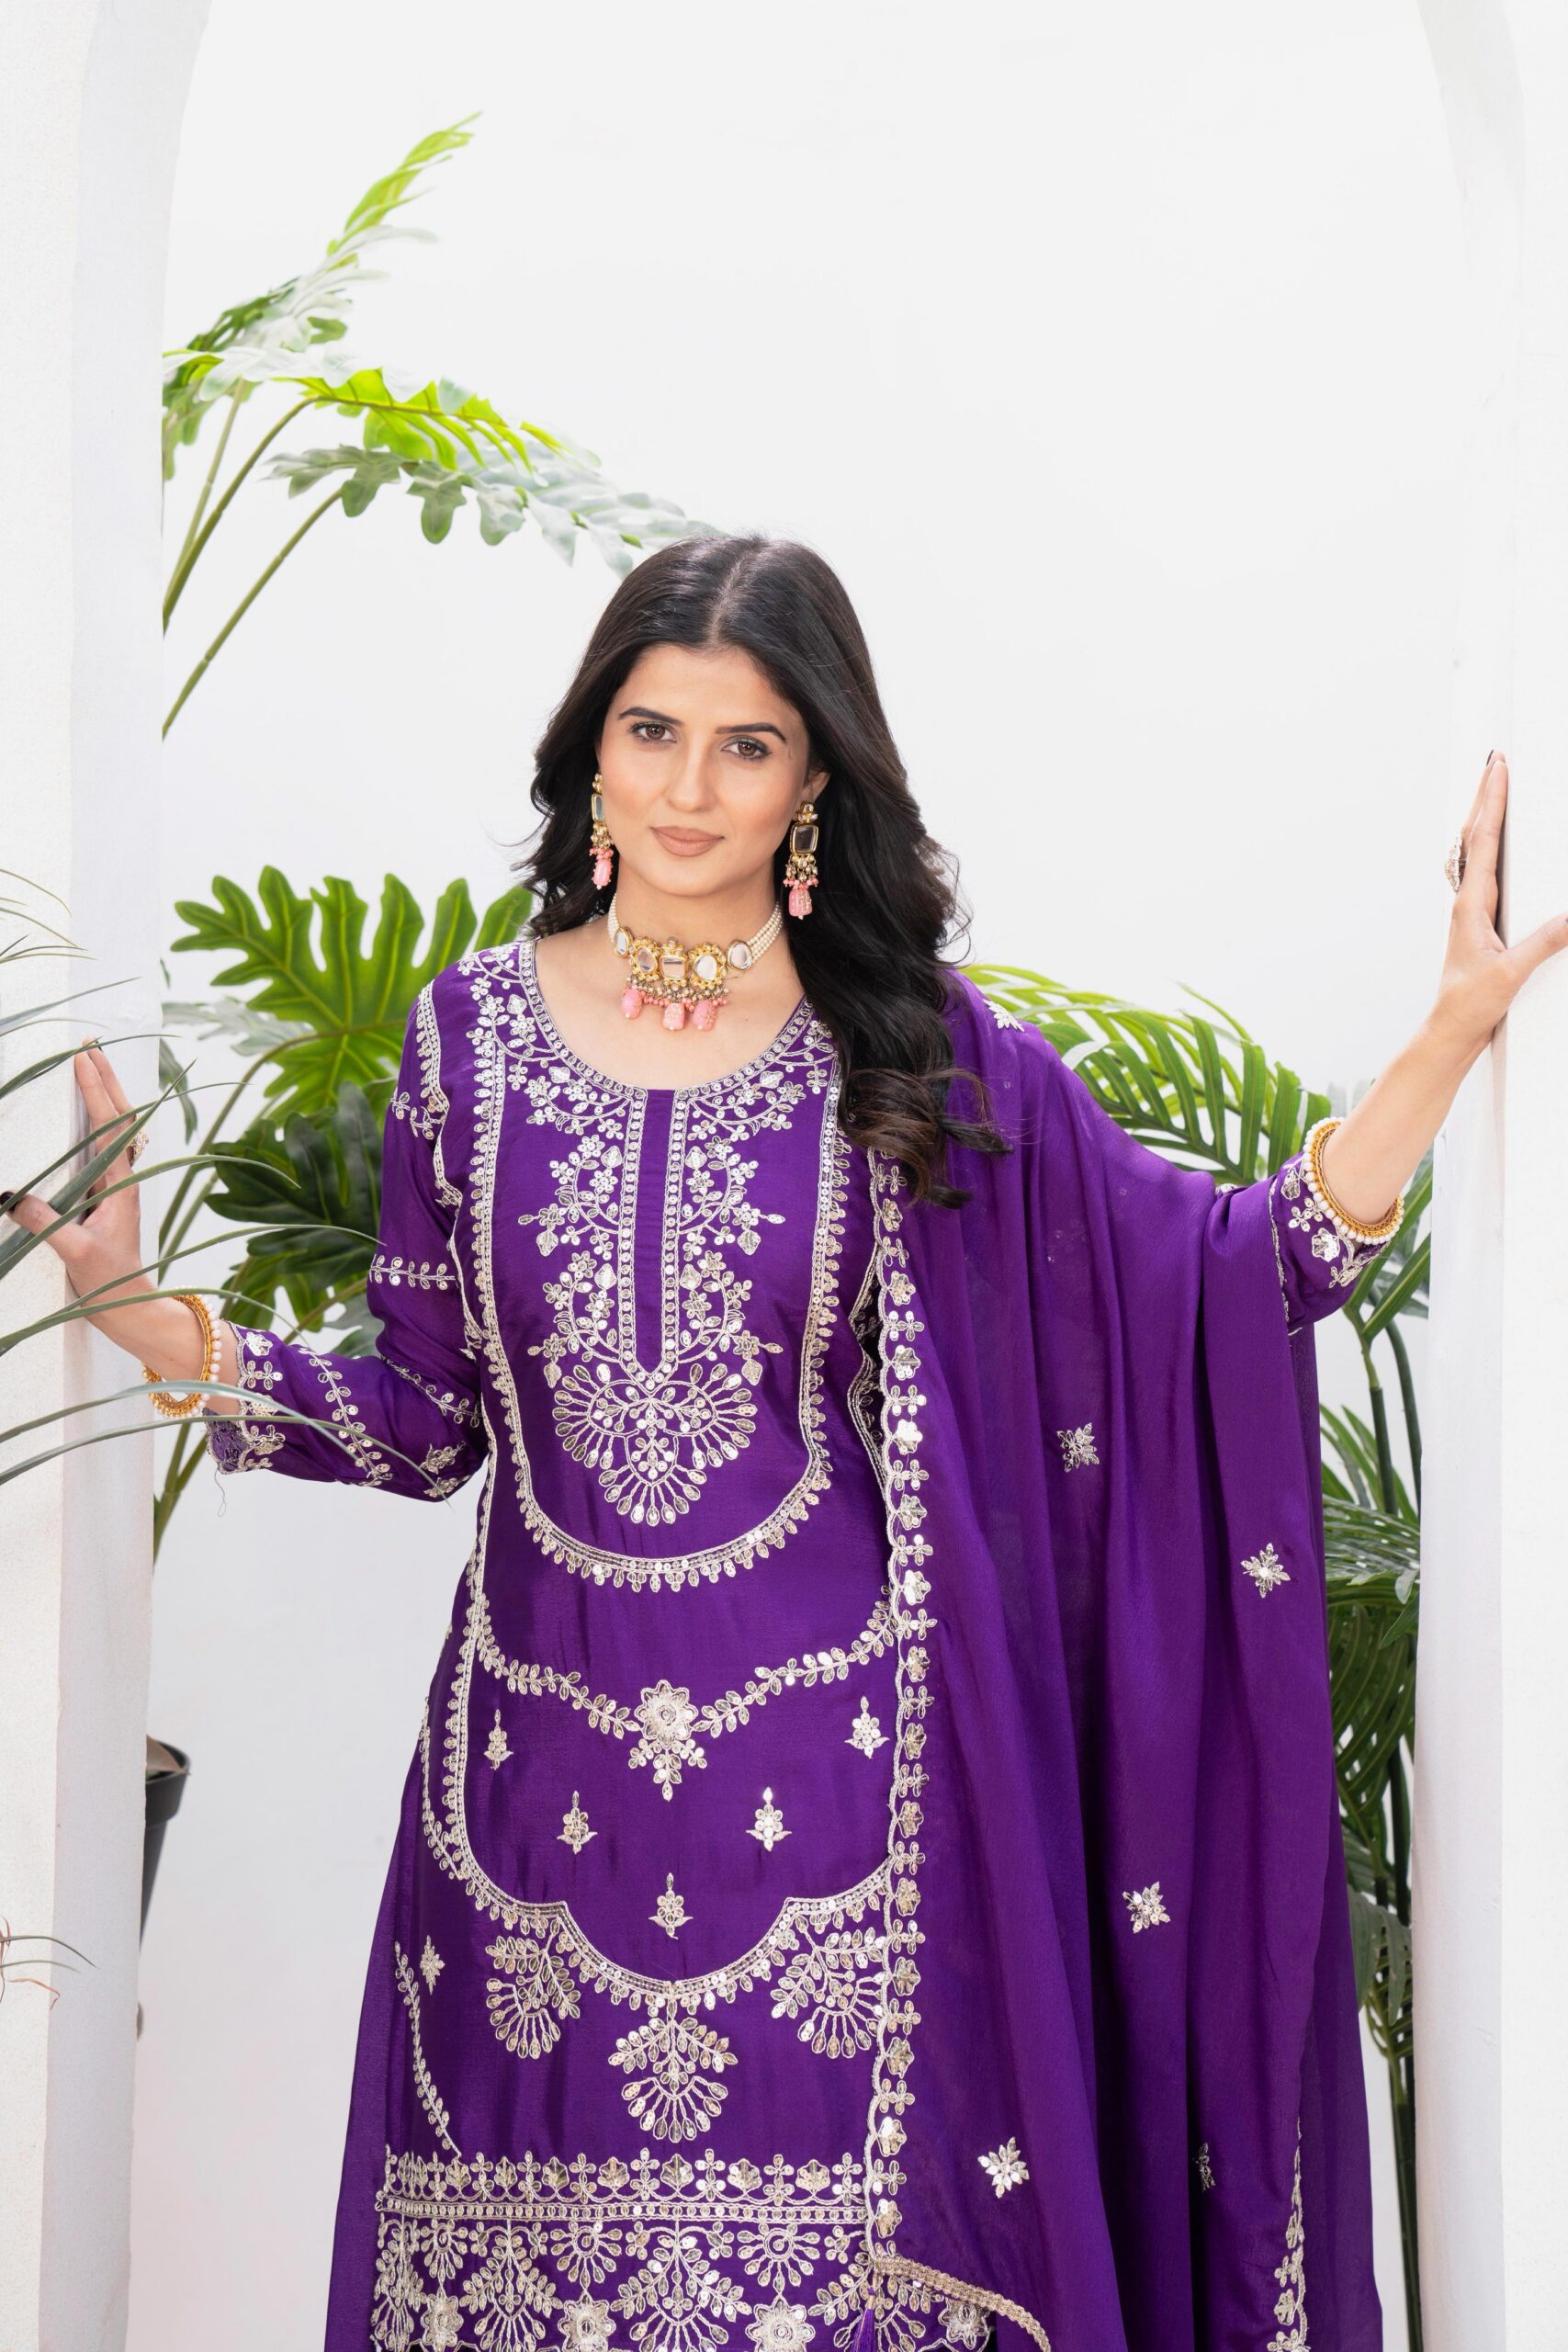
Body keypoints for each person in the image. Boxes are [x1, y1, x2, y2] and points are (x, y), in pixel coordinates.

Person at [9, 534, 1559, 2352]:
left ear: (814, 780)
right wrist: (148, 1313)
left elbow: (1229, 1270)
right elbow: (425, 1425)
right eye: (650, 730)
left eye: (745, 746)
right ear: (589, 748)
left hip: (850, 1826)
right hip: (525, 1820)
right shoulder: (466, 1042)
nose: (688, 788)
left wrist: (1447, 1036)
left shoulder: (906, 1054)